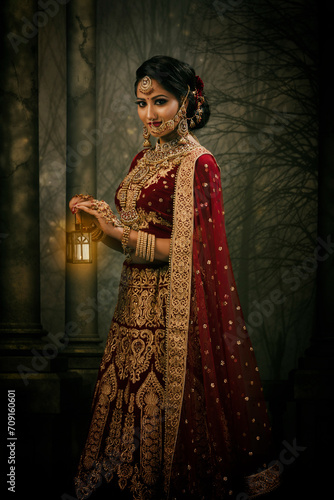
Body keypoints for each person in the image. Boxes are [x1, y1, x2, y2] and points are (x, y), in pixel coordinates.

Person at [70, 56, 280, 500]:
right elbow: (131, 240)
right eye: (141, 103)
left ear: (187, 101)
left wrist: (116, 230)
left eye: (160, 101)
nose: (149, 114)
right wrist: (98, 224)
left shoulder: (199, 164)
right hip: (131, 309)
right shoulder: (142, 158)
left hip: (175, 312)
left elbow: (189, 253)